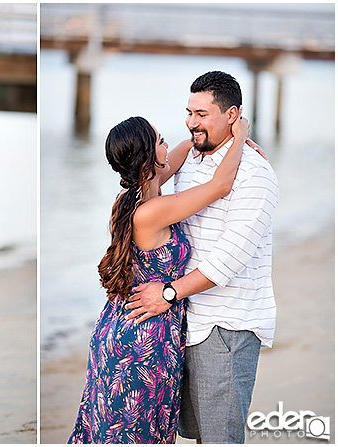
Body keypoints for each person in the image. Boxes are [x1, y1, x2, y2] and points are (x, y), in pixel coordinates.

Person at [69, 111, 250, 443]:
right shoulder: (152, 211)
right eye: (160, 141)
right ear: (148, 158)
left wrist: (218, 136)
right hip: (141, 342)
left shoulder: (133, 200)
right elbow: (221, 185)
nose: (169, 146)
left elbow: (183, 148)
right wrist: (240, 136)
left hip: (134, 329)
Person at [126, 71, 279, 443]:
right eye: (188, 112)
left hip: (226, 325)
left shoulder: (255, 175)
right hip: (184, 322)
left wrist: (167, 294)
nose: (191, 123)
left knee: (219, 438)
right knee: (194, 434)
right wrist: (238, 136)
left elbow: (229, 258)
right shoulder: (191, 159)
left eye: (201, 114)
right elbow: (164, 173)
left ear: (231, 115)